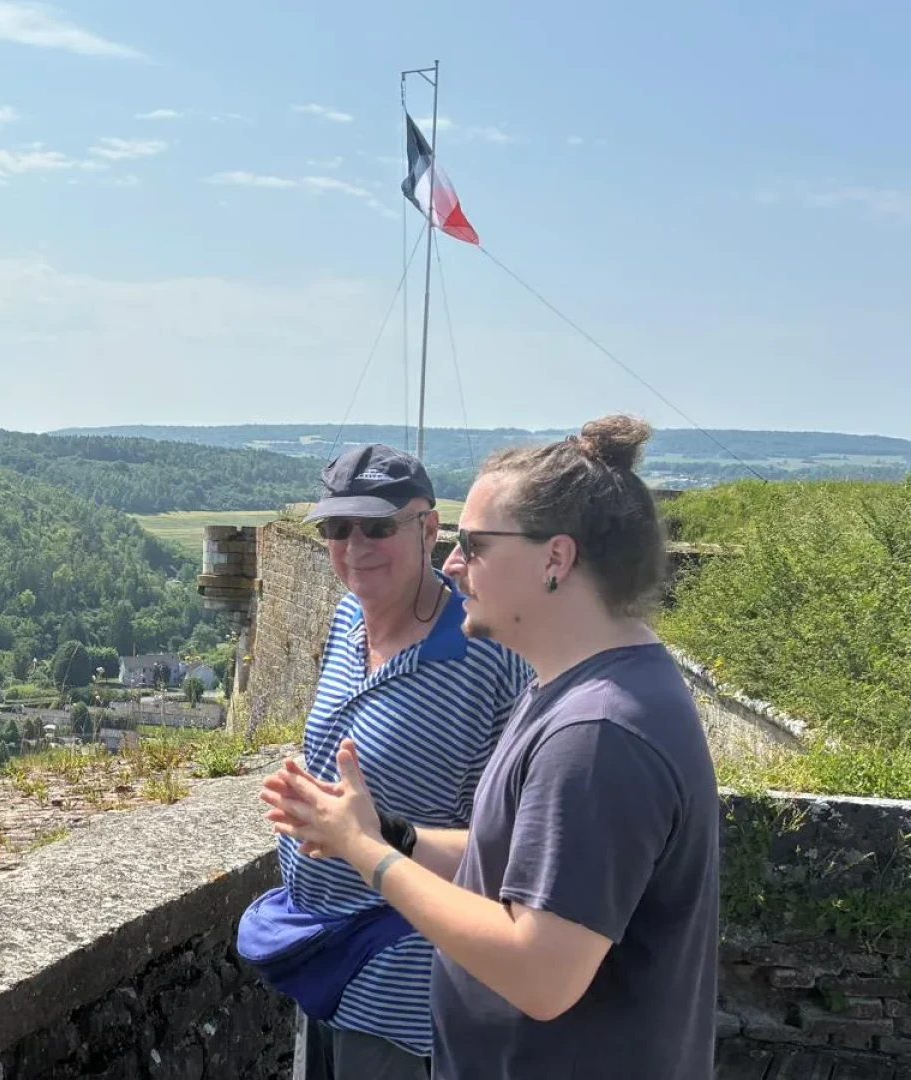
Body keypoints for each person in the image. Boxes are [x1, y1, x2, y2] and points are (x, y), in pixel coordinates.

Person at [258, 416, 719, 1080]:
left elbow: (540, 973)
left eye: (473, 545)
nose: (451, 564)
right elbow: (519, 865)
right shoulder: (579, 689)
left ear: (555, 559)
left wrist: (366, 855)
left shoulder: (598, 735)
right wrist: (390, 834)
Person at [234, 443, 530, 1079]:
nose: (353, 545)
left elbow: (515, 849)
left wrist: (376, 836)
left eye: (376, 526)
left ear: (429, 528)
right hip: (325, 962)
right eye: (337, 528)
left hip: (406, 989)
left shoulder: (489, 658)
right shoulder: (347, 619)